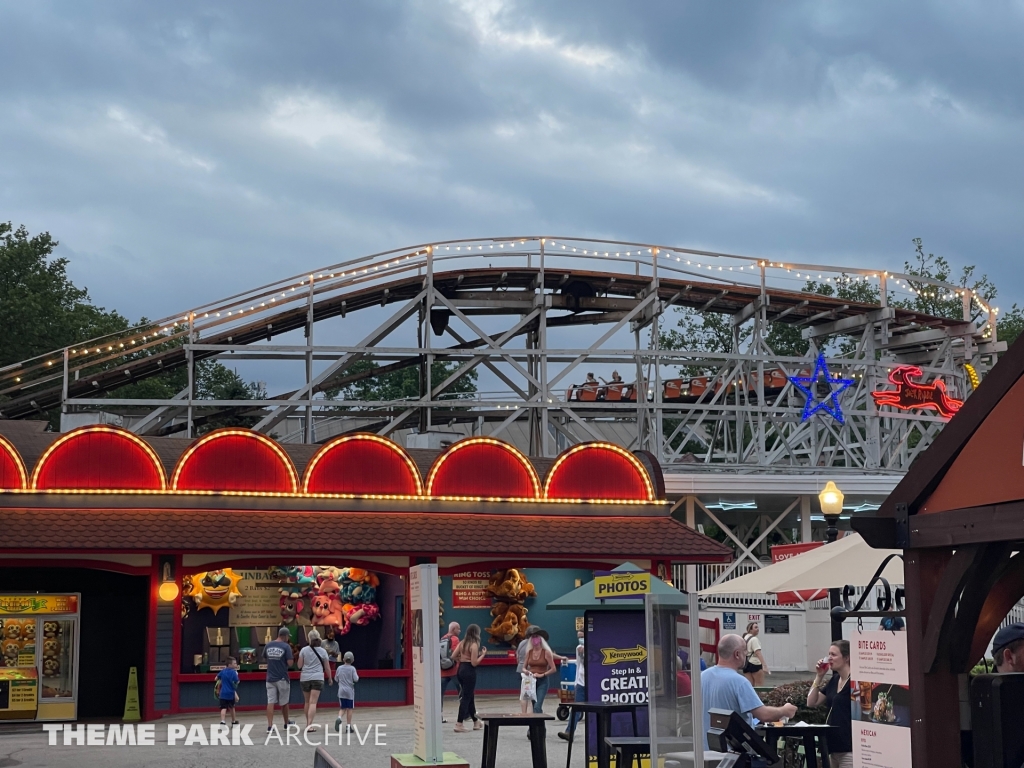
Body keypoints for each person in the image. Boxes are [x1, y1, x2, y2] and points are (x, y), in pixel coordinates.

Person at [701, 634, 797, 750]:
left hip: (704, 752)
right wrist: (785, 710)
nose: (746, 654)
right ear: (737, 654)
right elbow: (764, 714)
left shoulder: (701, 677)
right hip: (733, 754)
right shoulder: (739, 682)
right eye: (744, 651)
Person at [807, 640, 852, 768]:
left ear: (846, 658)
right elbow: (811, 702)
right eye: (829, 654)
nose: (829, 658)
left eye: (834, 654)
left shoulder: (854, 683)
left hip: (849, 746)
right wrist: (819, 676)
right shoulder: (835, 679)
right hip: (833, 746)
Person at [453, 623, 487, 732]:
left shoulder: (462, 643)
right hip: (469, 671)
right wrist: (483, 655)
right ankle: (459, 723)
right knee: (466, 698)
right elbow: (474, 663)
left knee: (469, 696)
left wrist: (461, 659)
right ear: (476, 633)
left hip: (461, 669)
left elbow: (453, 656)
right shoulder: (474, 645)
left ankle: (476, 722)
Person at [297, 629, 333, 730]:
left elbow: (299, 665)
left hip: (305, 677)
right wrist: (330, 678)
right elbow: (327, 667)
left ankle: (308, 724)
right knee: (313, 702)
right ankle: (309, 725)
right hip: (317, 677)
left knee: (307, 702)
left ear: (309, 639)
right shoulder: (323, 651)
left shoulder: (304, 650)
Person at [264, 627, 295, 732]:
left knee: (270, 702)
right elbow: (290, 663)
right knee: (284, 702)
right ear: (285, 636)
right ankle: (286, 723)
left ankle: (269, 726)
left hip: (270, 678)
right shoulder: (286, 646)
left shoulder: (268, 645)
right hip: (282, 678)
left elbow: (265, 657)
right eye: (288, 636)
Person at [558, 632, 586, 741]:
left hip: (592, 682)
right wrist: (576, 682)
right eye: (579, 637)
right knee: (576, 708)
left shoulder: (594, 647)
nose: (580, 639)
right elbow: (579, 665)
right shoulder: (578, 648)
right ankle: (569, 732)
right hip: (581, 682)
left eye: (582, 637)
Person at [440, 621, 461, 723]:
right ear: (453, 629)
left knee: (440, 695)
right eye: (458, 629)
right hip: (454, 670)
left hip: (443, 671)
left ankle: (439, 716)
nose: (460, 631)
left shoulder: (442, 638)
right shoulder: (455, 639)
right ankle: (466, 714)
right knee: (462, 691)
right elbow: (456, 654)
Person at [334, 651, 360, 732]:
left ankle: (339, 718)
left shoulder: (339, 668)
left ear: (343, 659)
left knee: (342, 708)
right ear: (352, 660)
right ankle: (348, 727)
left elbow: (336, 679)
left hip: (341, 691)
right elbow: (356, 679)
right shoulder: (352, 669)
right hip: (349, 691)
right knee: (349, 709)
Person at [216, 656, 240, 726]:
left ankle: (222, 721)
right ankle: (233, 721)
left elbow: (216, 678)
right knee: (232, 707)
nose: (236, 664)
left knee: (223, 708)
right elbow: (237, 681)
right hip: (231, 693)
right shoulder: (233, 672)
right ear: (230, 665)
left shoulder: (223, 671)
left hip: (223, 693)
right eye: (234, 663)